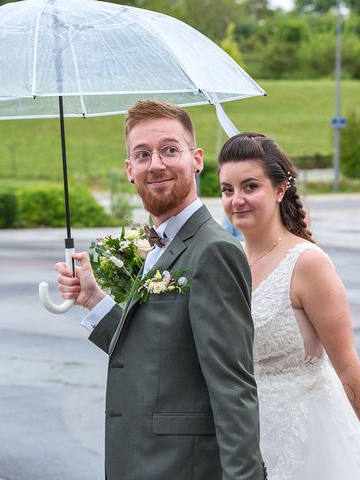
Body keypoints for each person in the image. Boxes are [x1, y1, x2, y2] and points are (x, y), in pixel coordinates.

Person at [56, 101, 266, 480]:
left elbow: (233, 387)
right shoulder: (159, 245)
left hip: (181, 466)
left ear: (197, 159)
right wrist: (92, 298)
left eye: (170, 149)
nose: (156, 164)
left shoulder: (214, 250)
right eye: (143, 154)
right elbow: (155, 352)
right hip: (139, 460)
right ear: (129, 171)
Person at [217, 132, 360, 480]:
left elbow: (347, 363)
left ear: (279, 189)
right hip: (243, 435)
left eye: (249, 187)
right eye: (227, 190)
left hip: (307, 437)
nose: (236, 200)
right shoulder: (229, 261)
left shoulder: (307, 263)